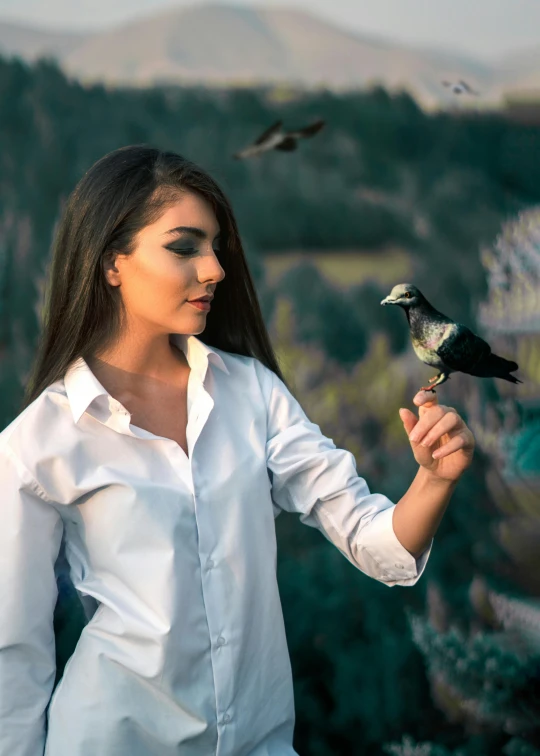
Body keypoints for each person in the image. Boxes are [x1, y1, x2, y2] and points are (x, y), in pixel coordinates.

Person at [0, 145, 475, 756]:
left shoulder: (251, 393)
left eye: (215, 246)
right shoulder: (38, 443)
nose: (215, 269)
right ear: (112, 262)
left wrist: (433, 480)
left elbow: (373, 540)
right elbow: (14, 653)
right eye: (184, 246)